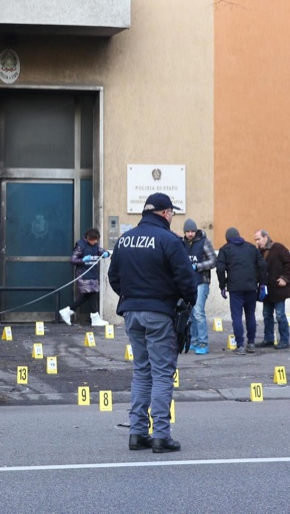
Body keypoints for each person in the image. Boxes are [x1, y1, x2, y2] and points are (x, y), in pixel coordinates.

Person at [108, 192, 197, 454]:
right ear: (165, 213)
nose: (172, 217)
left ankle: (137, 433)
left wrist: (133, 296)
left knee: (141, 372)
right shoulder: (169, 240)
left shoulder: (125, 240)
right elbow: (187, 281)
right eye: (172, 213)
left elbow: (114, 278)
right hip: (160, 312)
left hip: (131, 311)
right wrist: (186, 301)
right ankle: (160, 434)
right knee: (161, 373)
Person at [215, 227, 266, 354]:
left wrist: (222, 286)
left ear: (227, 238)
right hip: (251, 287)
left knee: (237, 316)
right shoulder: (251, 248)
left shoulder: (225, 249)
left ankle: (240, 346)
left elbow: (220, 269)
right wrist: (260, 282)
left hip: (235, 287)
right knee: (250, 315)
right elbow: (262, 265)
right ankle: (252, 343)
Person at [253, 229, 290, 350]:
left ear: (266, 237)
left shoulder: (278, 248)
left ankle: (284, 340)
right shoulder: (258, 252)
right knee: (266, 315)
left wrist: (284, 278)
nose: (257, 242)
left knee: (280, 315)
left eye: (258, 239)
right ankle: (269, 339)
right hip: (266, 289)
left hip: (278, 288)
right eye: (255, 240)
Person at [60, 228, 110, 327]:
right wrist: (83, 260)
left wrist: (106, 253)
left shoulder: (95, 246)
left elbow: (102, 251)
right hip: (83, 274)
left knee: (89, 295)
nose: (94, 242)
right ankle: (95, 318)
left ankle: (68, 311)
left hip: (93, 274)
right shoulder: (80, 245)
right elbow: (73, 260)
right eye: (92, 240)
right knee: (92, 294)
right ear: (87, 238)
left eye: (96, 240)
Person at [182, 219, 216, 355]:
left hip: (201, 282)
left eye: (192, 231)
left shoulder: (204, 242)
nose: (190, 234)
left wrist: (198, 266)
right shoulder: (182, 243)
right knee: (190, 313)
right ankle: (194, 341)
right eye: (188, 231)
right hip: (188, 283)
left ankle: (203, 342)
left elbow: (214, 261)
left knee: (198, 313)